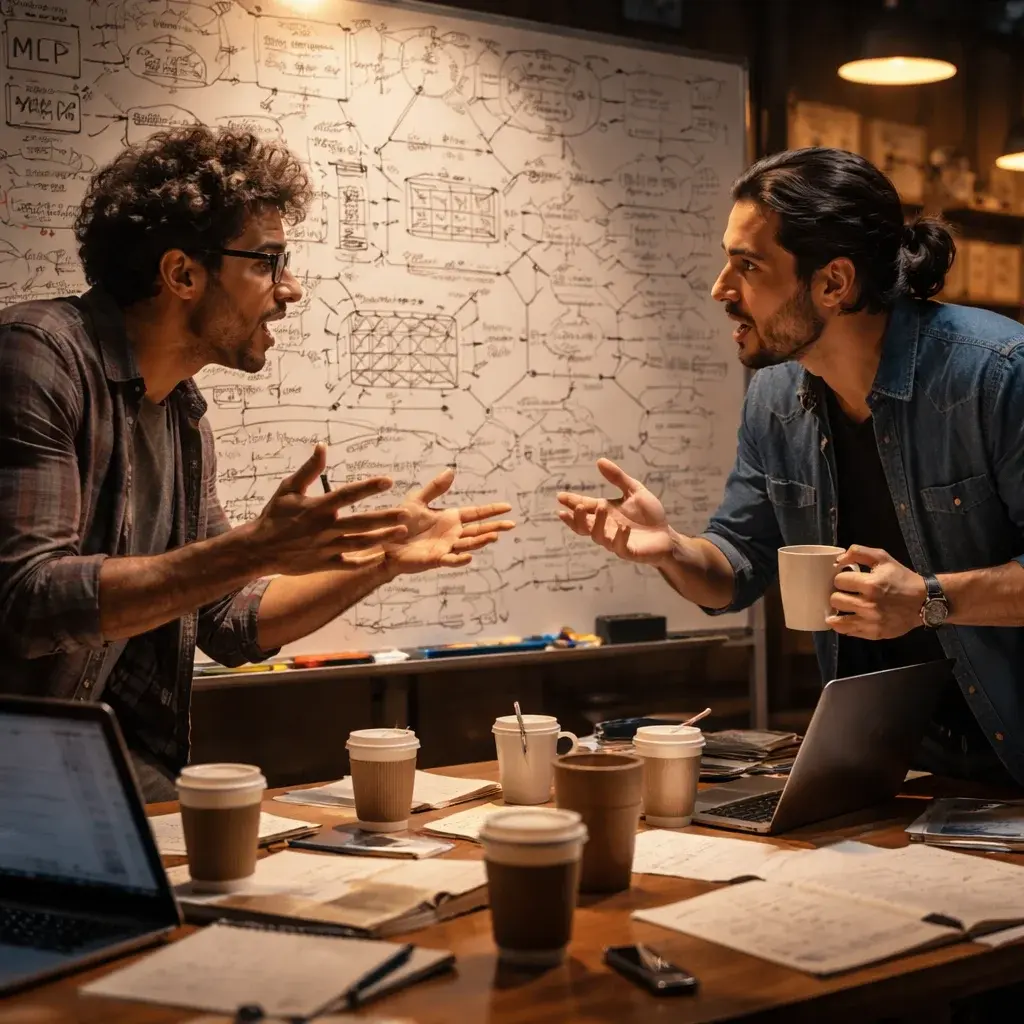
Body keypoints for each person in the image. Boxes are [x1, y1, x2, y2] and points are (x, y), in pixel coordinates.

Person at [0, 127, 514, 799]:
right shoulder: (39, 357)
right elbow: (30, 603)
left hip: (105, 772)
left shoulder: (182, 415)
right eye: (267, 261)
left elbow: (228, 624)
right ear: (182, 273)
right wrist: (252, 549)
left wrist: (381, 562)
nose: (290, 289)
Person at [557, 146, 1024, 787]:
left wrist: (929, 601)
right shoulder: (777, 399)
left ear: (833, 283)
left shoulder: (996, 374)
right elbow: (735, 568)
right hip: (892, 772)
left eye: (747, 266)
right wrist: (669, 550)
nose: (721, 288)